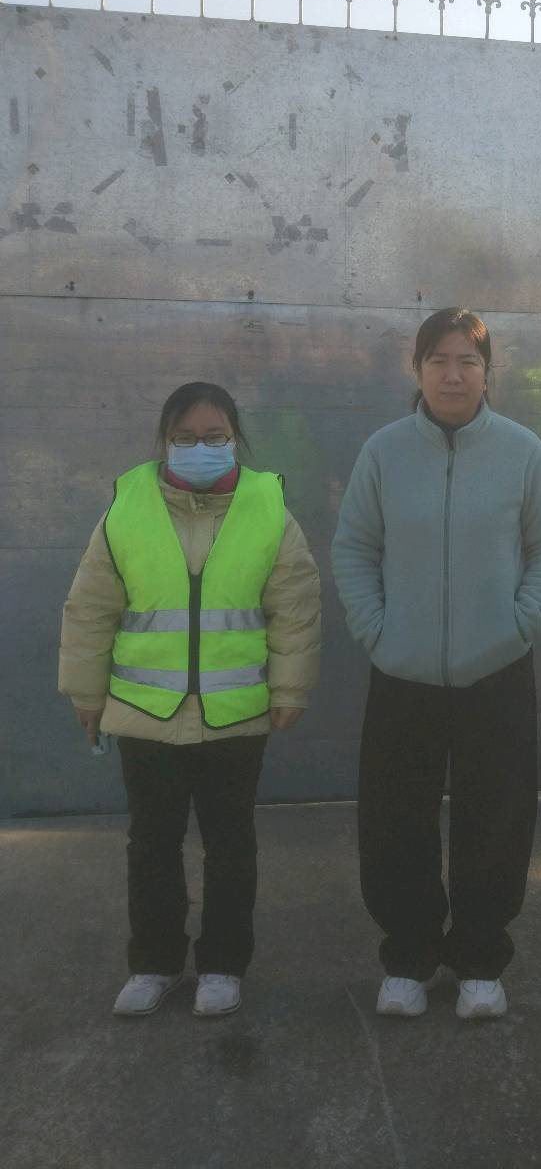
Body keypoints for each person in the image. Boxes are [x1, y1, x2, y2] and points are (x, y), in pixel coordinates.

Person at [331, 307, 541, 1021]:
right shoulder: (384, 453)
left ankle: (479, 959)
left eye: (468, 360)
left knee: (496, 817)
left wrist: (519, 624)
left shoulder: (522, 451)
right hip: (401, 671)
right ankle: (407, 957)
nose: (453, 374)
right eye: (438, 359)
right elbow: (353, 548)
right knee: (394, 820)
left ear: (488, 372)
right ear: (417, 368)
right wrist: (377, 631)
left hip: (496, 670)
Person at [59, 382, 321, 1018]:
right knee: (151, 844)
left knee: (231, 846)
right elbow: (91, 608)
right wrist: (86, 693)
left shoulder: (267, 507)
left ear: (235, 439)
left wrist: (290, 687)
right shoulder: (127, 506)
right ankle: (153, 963)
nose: (200, 448)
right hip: (146, 715)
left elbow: (295, 604)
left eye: (214, 437)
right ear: (164, 441)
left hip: (236, 716)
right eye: (185, 438)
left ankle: (223, 965)